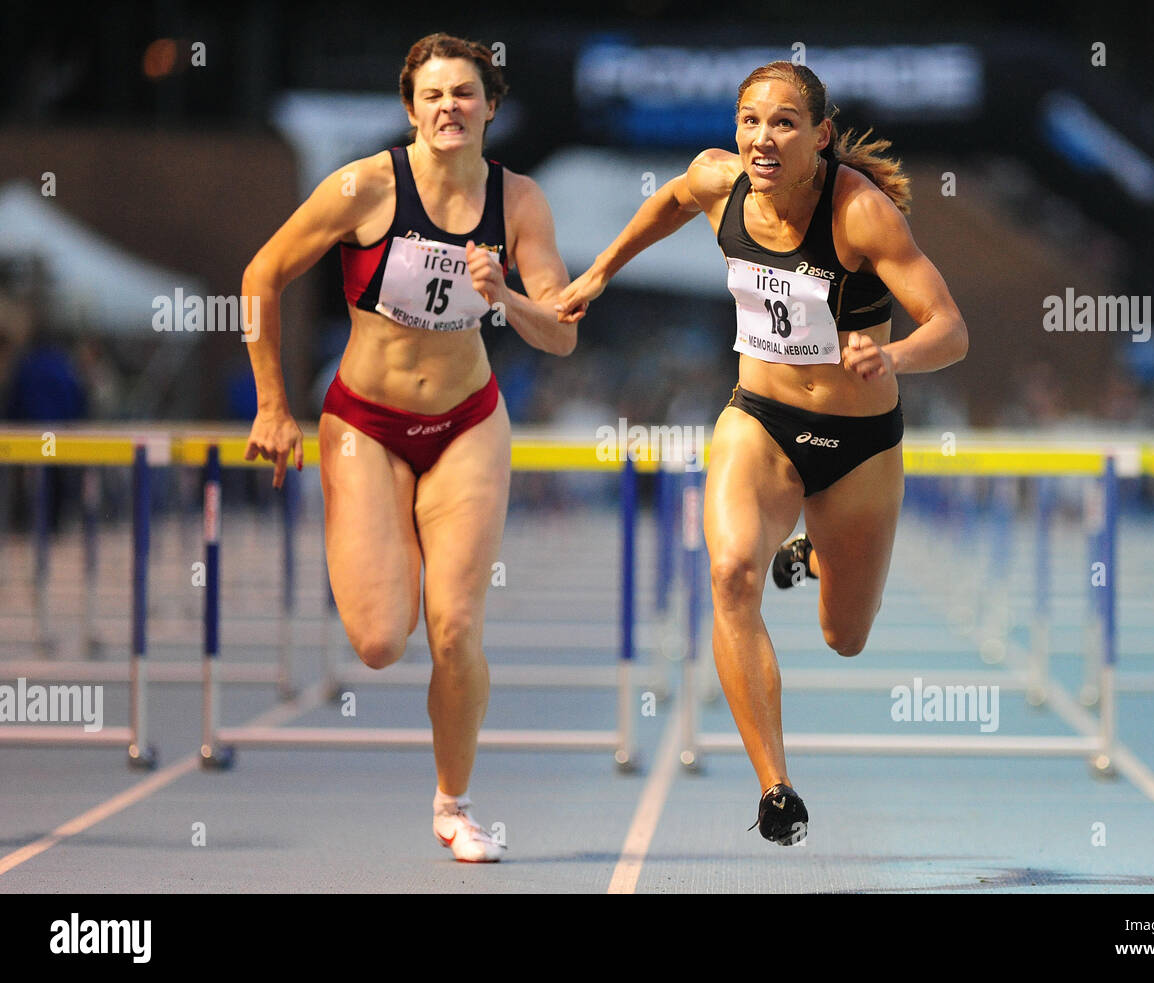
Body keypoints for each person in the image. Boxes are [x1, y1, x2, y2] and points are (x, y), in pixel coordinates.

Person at [557, 61, 967, 845]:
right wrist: (599, 273)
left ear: (819, 135)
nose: (761, 137)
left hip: (857, 446)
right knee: (730, 572)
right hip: (761, 422)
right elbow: (670, 201)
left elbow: (951, 327)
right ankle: (775, 786)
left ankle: (812, 554)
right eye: (749, 119)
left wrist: (896, 358)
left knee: (845, 636)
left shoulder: (860, 214)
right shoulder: (719, 183)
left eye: (782, 122)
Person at [241, 32, 580, 862]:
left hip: (467, 419)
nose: (448, 108)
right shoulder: (365, 185)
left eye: (464, 93)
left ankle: (454, 805)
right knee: (381, 641)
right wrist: (272, 403)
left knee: (456, 628)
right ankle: (384, 554)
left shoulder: (522, 202)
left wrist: (504, 295)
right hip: (365, 423)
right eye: (432, 95)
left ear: (491, 107)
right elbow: (260, 274)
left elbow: (562, 335)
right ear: (410, 109)